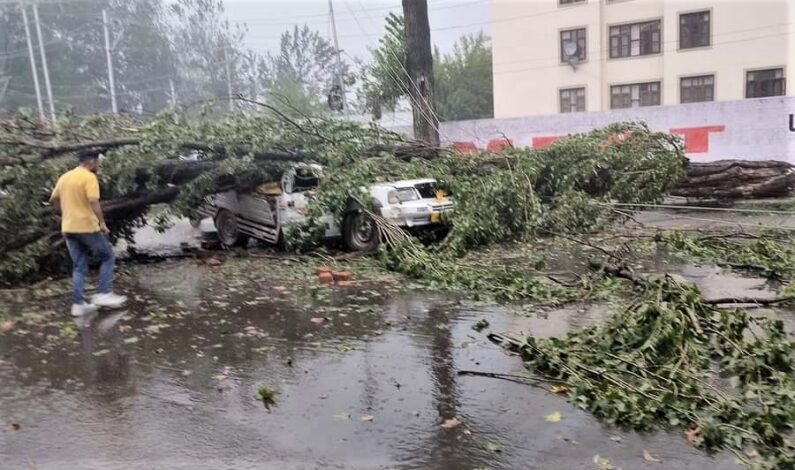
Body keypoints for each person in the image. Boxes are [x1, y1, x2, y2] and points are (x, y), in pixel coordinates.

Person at [50, 150, 127, 316]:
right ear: (91, 162)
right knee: (107, 256)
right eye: (98, 162)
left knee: (79, 266)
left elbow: (54, 199)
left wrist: (65, 213)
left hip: (68, 228)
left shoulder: (65, 177)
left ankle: (78, 305)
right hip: (85, 226)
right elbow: (93, 202)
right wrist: (102, 223)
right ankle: (103, 293)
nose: (99, 165)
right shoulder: (89, 177)